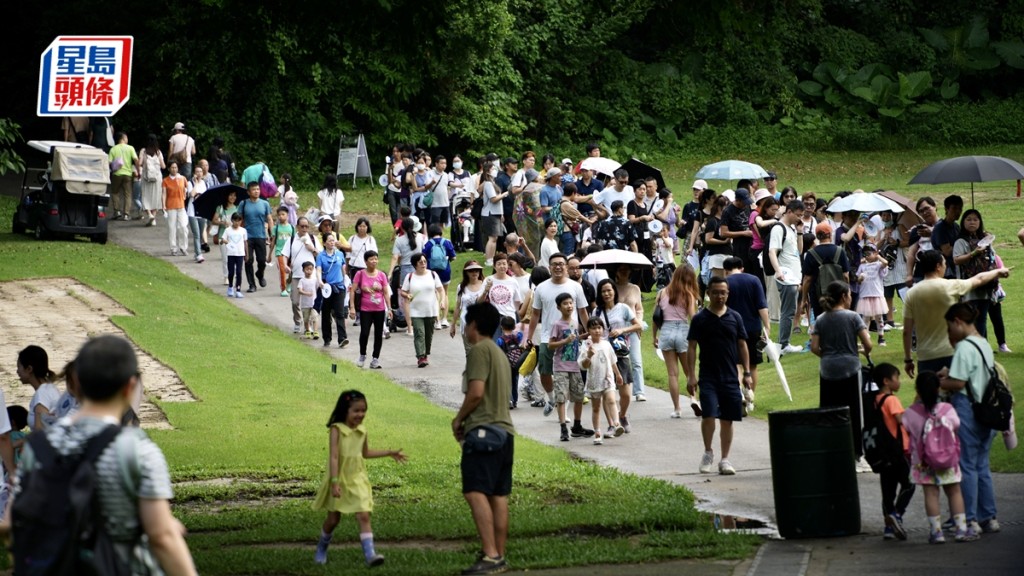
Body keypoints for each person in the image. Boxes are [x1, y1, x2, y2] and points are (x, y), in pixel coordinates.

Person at [14, 335, 198, 574]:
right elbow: (162, 536)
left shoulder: (40, 445)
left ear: (76, 383)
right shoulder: (137, 449)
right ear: (130, 387)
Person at [451, 302, 515, 576]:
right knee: (497, 495)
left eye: (467, 323)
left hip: (483, 432)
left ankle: (490, 555)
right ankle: (498, 555)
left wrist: (458, 419)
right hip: (506, 433)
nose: (466, 329)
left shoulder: (478, 350)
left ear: (474, 325)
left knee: (474, 491)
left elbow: (476, 392)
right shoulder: (499, 353)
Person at [312, 389, 407, 566]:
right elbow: (333, 457)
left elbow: (365, 453)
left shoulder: (362, 431)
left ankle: (370, 555)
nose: (360, 414)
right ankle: (321, 548)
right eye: (356, 410)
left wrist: (389, 452)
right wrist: (334, 482)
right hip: (339, 479)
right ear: (345, 410)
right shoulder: (336, 430)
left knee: (363, 515)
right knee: (333, 520)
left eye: (363, 410)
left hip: (357, 479)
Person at [938, 303, 1001, 537]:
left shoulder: (964, 347)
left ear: (957, 321)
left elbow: (959, 382)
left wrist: (939, 382)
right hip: (988, 407)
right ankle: (988, 517)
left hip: (968, 408)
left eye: (949, 328)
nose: (949, 334)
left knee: (966, 465)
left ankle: (970, 519)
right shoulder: (983, 343)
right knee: (982, 465)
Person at [903, 250, 1008, 378]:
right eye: (944, 263)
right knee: (956, 392)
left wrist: (908, 359)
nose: (945, 266)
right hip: (952, 352)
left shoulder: (912, 293)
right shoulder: (951, 286)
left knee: (930, 395)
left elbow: (907, 331)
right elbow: (978, 279)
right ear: (937, 266)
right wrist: (997, 271)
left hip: (925, 356)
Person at [686, 276, 752, 475]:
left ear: (728, 293)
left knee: (727, 419)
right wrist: (691, 375)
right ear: (708, 293)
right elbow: (691, 347)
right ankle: (708, 452)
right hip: (708, 376)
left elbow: (742, 345)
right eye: (715, 292)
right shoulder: (700, 319)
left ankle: (725, 459)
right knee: (709, 415)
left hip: (731, 377)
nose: (720, 296)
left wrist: (747, 373)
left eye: (723, 292)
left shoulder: (735, 317)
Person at [810, 280, 873, 472]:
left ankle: (830, 453)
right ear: (844, 296)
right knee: (853, 412)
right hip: (850, 368)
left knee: (829, 412)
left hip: (828, 369)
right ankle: (856, 456)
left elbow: (814, 347)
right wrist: (858, 350)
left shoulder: (821, 319)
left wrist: (828, 355)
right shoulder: (853, 317)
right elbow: (868, 344)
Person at [903, 371, 972, 544]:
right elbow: (956, 425)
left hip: (924, 462)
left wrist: (916, 400)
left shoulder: (912, 413)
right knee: (954, 492)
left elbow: (906, 426)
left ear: (917, 389)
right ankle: (961, 530)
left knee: (931, 494)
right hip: (948, 460)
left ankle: (936, 532)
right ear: (938, 388)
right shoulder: (947, 409)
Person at [527, 253, 590, 417]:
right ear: (549, 267)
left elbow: (582, 311)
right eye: (554, 264)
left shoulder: (575, 287)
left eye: (561, 264)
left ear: (566, 267)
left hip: (570, 338)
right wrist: (529, 336)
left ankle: (564, 411)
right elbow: (535, 314)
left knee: (568, 374)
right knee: (545, 371)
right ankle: (551, 397)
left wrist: (589, 332)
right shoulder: (541, 288)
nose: (558, 267)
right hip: (548, 337)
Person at [870, 362, 914, 541]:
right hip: (898, 450)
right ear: (887, 381)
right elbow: (900, 420)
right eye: (897, 378)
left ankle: (888, 527)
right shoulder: (892, 400)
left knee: (887, 491)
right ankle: (897, 514)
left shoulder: (874, 400)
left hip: (882, 452)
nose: (900, 381)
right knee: (909, 484)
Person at [723, 257, 770, 413]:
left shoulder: (724, 283)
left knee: (736, 363)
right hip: (753, 327)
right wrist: (767, 326)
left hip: (731, 327)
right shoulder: (754, 280)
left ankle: (738, 395)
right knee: (752, 365)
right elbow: (761, 306)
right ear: (741, 267)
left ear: (726, 270)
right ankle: (750, 396)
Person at [653, 265, 699, 418]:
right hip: (683, 331)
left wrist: (654, 336)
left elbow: (655, 317)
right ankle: (694, 399)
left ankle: (677, 408)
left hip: (666, 330)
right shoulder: (689, 295)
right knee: (689, 372)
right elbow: (693, 318)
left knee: (672, 374)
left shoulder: (662, 292)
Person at [952, 209, 998, 338]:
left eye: (975, 219)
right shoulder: (960, 241)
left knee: (982, 318)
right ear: (963, 222)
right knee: (970, 319)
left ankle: (981, 346)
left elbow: (993, 257)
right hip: (969, 285)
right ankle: (974, 346)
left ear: (980, 222)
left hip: (985, 285)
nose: (972, 222)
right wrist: (974, 253)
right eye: (968, 219)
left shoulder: (986, 239)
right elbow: (956, 260)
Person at [579, 317, 625, 445]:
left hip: (608, 378)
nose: (597, 331)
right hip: (594, 380)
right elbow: (583, 365)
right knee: (596, 407)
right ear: (588, 330)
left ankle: (616, 424)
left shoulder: (606, 344)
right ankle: (597, 432)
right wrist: (588, 356)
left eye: (599, 328)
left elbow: (613, 361)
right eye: (593, 328)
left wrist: (618, 374)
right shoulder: (586, 346)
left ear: (603, 329)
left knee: (611, 400)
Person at [767, 199, 805, 355]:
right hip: (786, 276)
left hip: (794, 276)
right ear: (789, 211)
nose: (799, 218)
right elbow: (772, 251)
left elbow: (800, 251)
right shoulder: (778, 228)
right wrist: (778, 271)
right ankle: (784, 344)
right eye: (798, 215)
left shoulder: (792, 229)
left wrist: (800, 231)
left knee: (790, 310)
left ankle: (784, 343)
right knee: (788, 311)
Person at [549, 292, 585, 442]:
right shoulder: (557, 325)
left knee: (579, 396)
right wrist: (564, 341)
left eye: (571, 303)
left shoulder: (575, 323)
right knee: (561, 397)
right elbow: (551, 345)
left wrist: (583, 337)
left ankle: (577, 425)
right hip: (561, 366)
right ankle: (563, 427)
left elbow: (576, 340)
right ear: (559, 307)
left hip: (575, 366)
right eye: (565, 304)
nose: (569, 306)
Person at [401, 253, 445, 367]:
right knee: (419, 333)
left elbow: (441, 290)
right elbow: (403, 291)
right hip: (416, 310)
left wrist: (442, 301)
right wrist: (407, 295)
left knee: (428, 334)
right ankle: (420, 356)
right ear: (415, 264)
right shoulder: (410, 276)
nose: (423, 264)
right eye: (420, 262)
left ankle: (425, 353)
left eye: (425, 261)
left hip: (431, 310)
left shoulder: (433, 274)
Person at [350, 250, 391, 369]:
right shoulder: (360, 274)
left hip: (379, 309)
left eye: (376, 259)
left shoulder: (381, 275)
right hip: (365, 309)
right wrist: (352, 307)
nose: (374, 261)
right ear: (366, 261)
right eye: (371, 259)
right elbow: (353, 290)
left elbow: (386, 292)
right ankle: (362, 355)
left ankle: (375, 359)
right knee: (364, 333)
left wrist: (389, 308)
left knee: (379, 334)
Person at [612, 265, 646, 404]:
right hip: (616, 328)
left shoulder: (635, 288)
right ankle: (613, 388)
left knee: (636, 360)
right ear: (616, 273)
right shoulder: (612, 288)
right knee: (615, 359)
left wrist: (639, 323)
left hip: (632, 326)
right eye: (621, 270)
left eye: (627, 270)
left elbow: (639, 309)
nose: (624, 273)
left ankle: (639, 391)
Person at [238, 180, 274, 293]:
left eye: (258, 189)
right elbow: (238, 219)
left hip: (261, 236)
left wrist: (272, 233)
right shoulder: (243, 204)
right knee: (248, 260)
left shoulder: (265, 204)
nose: (256, 191)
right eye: (254, 189)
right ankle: (252, 285)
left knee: (262, 260)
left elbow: (269, 219)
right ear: (248, 192)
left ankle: (260, 274)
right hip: (247, 237)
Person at [287, 217, 322, 332]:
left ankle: (310, 324)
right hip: (297, 274)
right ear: (297, 227)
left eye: (306, 226)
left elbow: (320, 256)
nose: (304, 229)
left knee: (311, 301)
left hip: (311, 277)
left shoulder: (312, 238)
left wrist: (312, 249)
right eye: (302, 226)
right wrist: (285, 266)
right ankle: (298, 321)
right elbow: (284, 255)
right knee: (295, 301)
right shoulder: (292, 239)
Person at [316, 232, 349, 349]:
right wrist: (320, 281)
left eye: (333, 240)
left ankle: (342, 338)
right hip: (327, 288)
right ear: (324, 243)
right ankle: (327, 338)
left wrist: (345, 281)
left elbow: (343, 268)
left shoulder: (340, 254)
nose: (332, 242)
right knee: (326, 313)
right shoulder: (321, 256)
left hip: (339, 287)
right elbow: (319, 270)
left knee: (340, 313)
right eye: (329, 240)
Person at [16, 345, 60, 432]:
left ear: (29, 369)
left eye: (19, 367)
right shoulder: (49, 389)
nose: (17, 371)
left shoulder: (42, 394)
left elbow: (39, 431)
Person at [423, 223, 458, 328]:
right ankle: (444, 319)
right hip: (445, 271)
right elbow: (454, 257)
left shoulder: (428, 244)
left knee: (435, 294)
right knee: (445, 293)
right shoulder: (447, 242)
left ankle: (437, 321)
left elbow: (423, 257)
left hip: (432, 272)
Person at [855, 244, 889, 347]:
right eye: (865, 254)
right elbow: (858, 279)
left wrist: (877, 256)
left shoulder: (878, 265)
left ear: (875, 253)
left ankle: (881, 337)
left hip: (876, 294)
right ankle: (865, 337)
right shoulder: (862, 266)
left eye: (869, 253)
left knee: (879, 317)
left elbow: (885, 263)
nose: (866, 256)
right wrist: (860, 278)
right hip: (865, 294)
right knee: (866, 317)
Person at [450, 261, 487, 353]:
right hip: (466, 323)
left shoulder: (485, 285)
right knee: (470, 351)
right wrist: (453, 325)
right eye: (471, 271)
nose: (474, 273)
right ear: (466, 272)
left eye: (477, 270)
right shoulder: (461, 287)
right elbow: (458, 306)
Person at [479, 252, 523, 323]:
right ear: (494, 266)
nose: (502, 266)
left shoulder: (513, 281)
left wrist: (517, 317)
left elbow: (517, 301)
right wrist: (485, 291)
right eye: (499, 264)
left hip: (510, 318)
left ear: (508, 265)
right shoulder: (488, 280)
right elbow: (478, 302)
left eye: (504, 263)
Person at [162, 161, 192, 257]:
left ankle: (183, 247)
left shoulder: (182, 178)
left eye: (175, 167)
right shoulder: (165, 180)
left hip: (181, 206)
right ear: (169, 169)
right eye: (172, 167)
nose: (174, 169)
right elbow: (164, 193)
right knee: (172, 228)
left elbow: (188, 188)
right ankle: (173, 248)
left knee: (183, 227)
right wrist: (163, 205)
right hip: (171, 206)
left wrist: (186, 192)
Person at [930, 195, 963, 278]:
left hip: (956, 268)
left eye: (960, 208)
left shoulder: (956, 226)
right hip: (945, 271)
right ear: (946, 209)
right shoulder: (940, 228)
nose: (958, 211)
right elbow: (947, 251)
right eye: (954, 208)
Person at [107, 131, 138, 220]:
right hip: (128, 174)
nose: (127, 139)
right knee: (128, 194)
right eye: (126, 138)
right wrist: (138, 170)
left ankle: (117, 212)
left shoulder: (113, 149)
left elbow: (109, 162)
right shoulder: (130, 148)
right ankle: (126, 214)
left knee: (115, 192)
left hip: (116, 174)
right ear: (124, 138)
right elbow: (136, 160)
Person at [212, 189, 239, 285]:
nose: (233, 198)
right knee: (225, 258)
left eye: (234, 195)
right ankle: (226, 276)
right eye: (231, 195)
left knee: (235, 256)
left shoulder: (237, 208)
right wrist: (222, 222)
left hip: (235, 236)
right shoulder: (221, 208)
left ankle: (234, 274)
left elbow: (240, 221)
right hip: (223, 236)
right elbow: (214, 220)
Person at [186, 165, 209, 263]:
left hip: (202, 212)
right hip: (192, 212)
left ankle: (197, 252)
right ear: (194, 173)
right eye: (197, 171)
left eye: (201, 171)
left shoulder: (205, 183)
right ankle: (199, 254)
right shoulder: (190, 183)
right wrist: (195, 183)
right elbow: (191, 194)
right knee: (196, 234)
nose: (199, 173)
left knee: (200, 233)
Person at [270, 206, 295, 296]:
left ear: (287, 215)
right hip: (279, 252)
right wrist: (269, 255)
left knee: (292, 271)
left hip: (290, 253)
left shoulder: (291, 228)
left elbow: (294, 240)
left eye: (283, 214)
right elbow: (273, 242)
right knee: (282, 270)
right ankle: (283, 288)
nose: (281, 216)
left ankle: (289, 283)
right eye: (279, 215)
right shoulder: (276, 228)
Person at [222, 212, 248, 298]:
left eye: (239, 221)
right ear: (232, 221)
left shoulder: (243, 231)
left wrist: (246, 254)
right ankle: (230, 286)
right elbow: (222, 239)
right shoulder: (228, 230)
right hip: (231, 254)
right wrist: (226, 242)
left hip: (240, 254)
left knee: (239, 272)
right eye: (235, 221)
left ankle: (238, 289)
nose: (237, 223)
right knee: (231, 272)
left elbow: (245, 242)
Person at [297, 262, 319, 339]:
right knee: (306, 318)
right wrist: (307, 293)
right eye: (307, 269)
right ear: (303, 270)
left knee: (315, 317)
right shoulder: (302, 280)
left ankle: (315, 331)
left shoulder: (315, 280)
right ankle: (308, 330)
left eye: (311, 269)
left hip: (314, 303)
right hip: (305, 303)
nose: (309, 271)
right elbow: (300, 290)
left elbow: (318, 288)